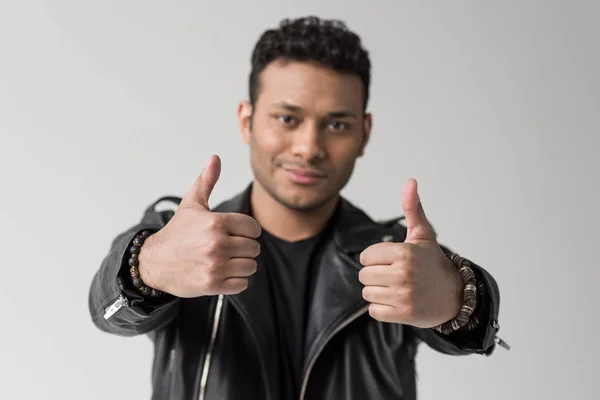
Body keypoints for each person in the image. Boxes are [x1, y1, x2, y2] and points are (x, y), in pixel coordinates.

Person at [89, 16, 506, 400]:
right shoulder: (186, 243)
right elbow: (105, 308)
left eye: (337, 125)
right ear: (246, 121)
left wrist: (457, 296)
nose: (308, 149)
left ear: (364, 134)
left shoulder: (398, 259)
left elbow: (475, 325)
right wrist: (150, 267)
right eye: (288, 119)